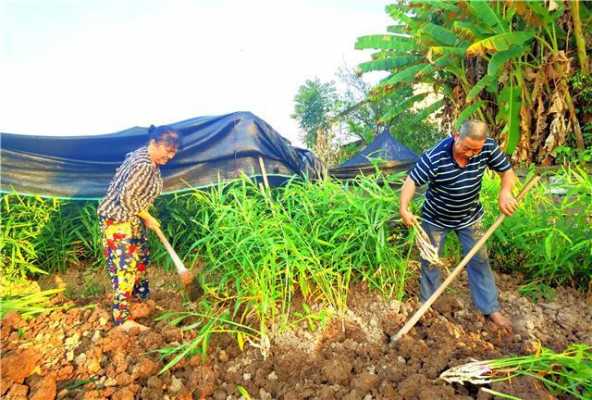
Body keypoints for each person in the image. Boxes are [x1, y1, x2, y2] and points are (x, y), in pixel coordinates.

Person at [399, 120, 517, 330]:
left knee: (479, 260)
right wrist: (404, 209)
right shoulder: (434, 157)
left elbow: (506, 172)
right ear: (456, 136)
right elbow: (411, 181)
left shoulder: (488, 147)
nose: (471, 153)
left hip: (470, 217)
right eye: (467, 147)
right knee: (431, 262)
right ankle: (427, 308)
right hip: (435, 219)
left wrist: (505, 192)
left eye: (476, 150)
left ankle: (491, 309)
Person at [97, 125, 180, 331]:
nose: (169, 157)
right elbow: (127, 198)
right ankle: (123, 319)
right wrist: (147, 216)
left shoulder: (145, 158)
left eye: (173, 153)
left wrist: (142, 217)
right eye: (167, 151)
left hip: (132, 218)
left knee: (140, 262)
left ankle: (140, 303)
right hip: (118, 219)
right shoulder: (143, 164)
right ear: (154, 143)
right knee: (125, 267)